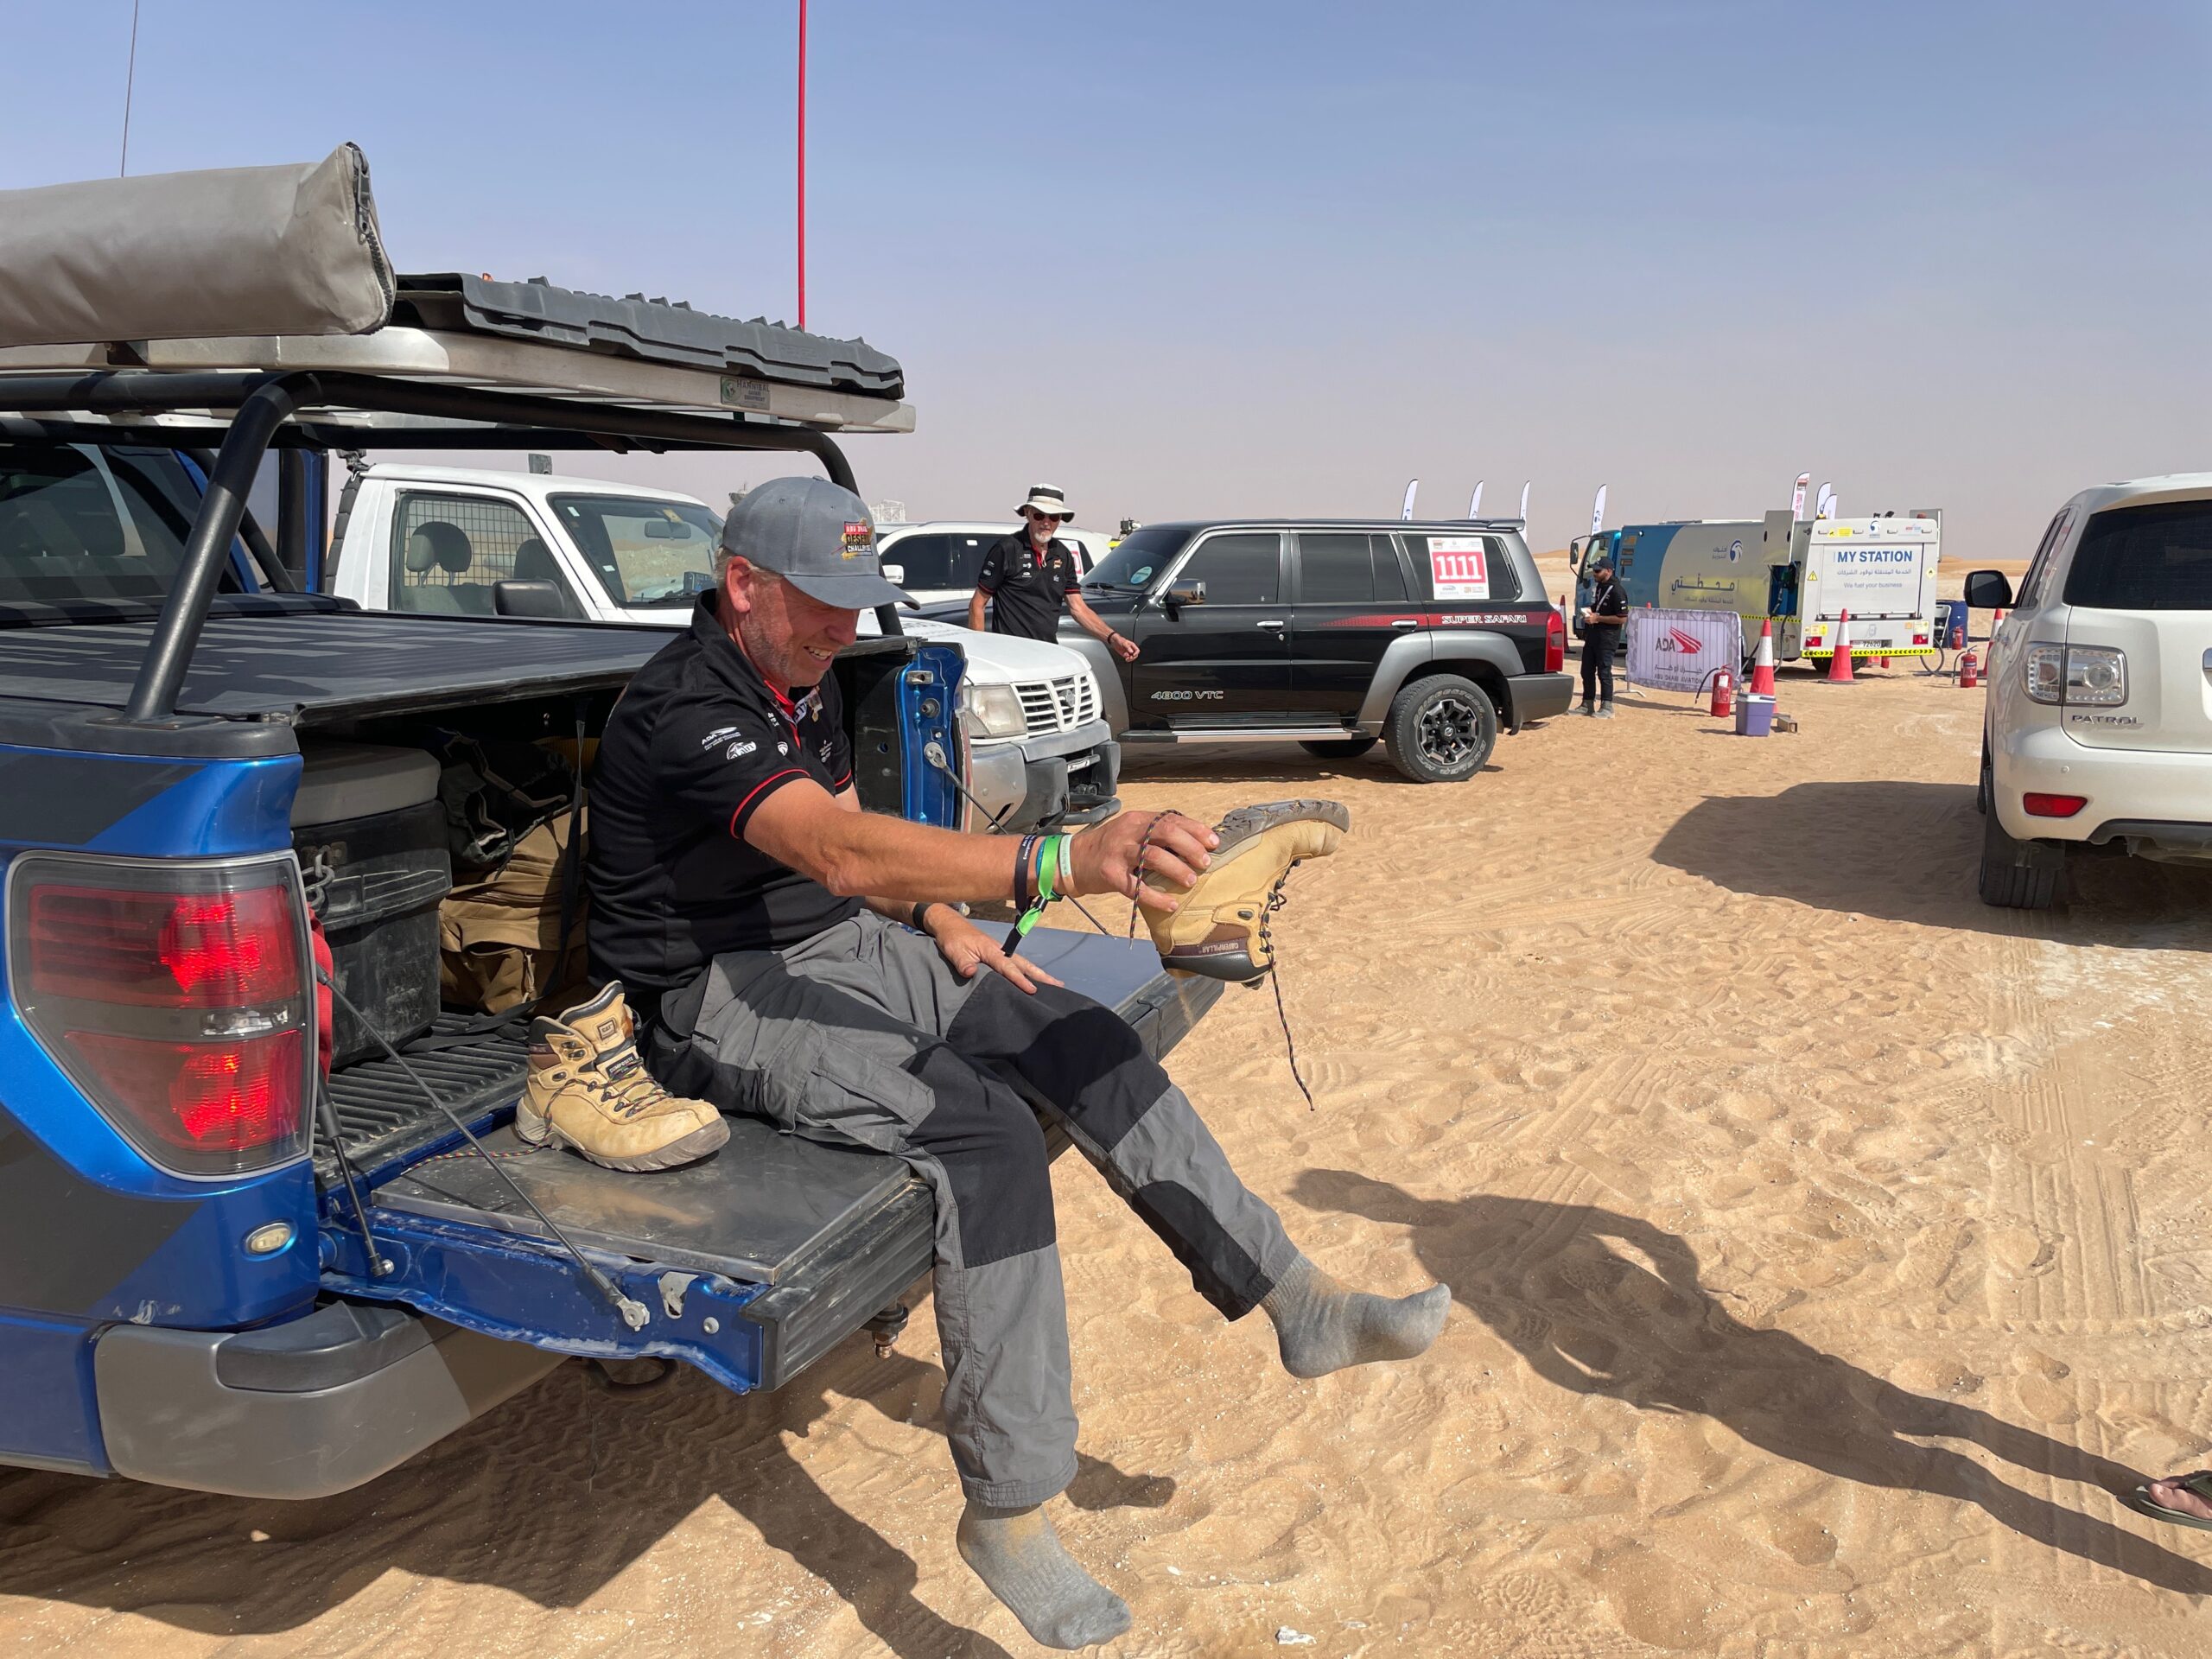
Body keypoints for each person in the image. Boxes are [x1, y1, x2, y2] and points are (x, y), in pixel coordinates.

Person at [579, 476, 1448, 1649]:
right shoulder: (685, 707)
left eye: (856, 602)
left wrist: (940, 916)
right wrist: (1062, 863)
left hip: (843, 941)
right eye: (823, 604)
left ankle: (1302, 1304)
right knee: (982, 1136)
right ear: (742, 586)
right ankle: (1012, 1508)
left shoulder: (802, 670)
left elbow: (846, 821)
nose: (846, 629)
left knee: (1082, 1039)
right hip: (718, 992)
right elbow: (835, 848)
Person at [968, 484, 1140, 662]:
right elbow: (977, 604)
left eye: (1054, 517)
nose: (1046, 522)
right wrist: (979, 657)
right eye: (1039, 515)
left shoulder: (1063, 554)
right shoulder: (1007, 549)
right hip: (1010, 658)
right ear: (1027, 513)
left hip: (1048, 656)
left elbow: (1078, 608)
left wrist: (1113, 638)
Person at [1580, 555, 1628, 717]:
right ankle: (1587, 703)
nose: (1594, 573)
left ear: (1608, 571)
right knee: (1586, 669)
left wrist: (1598, 618)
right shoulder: (1600, 586)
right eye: (1594, 569)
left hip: (1608, 637)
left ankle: (1607, 707)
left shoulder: (1617, 591)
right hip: (1594, 634)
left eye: (1598, 570)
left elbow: (1622, 618)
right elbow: (1598, 606)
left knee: (1604, 671)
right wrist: (1589, 612)